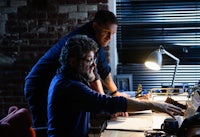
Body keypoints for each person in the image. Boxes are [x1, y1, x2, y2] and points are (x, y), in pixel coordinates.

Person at [47, 35, 183, 137]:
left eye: (93, 61)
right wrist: (153, 104)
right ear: (72, 62)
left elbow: (93, 106)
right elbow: (106, 102)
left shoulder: (65, 78)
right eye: (89, 60)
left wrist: (106, 112)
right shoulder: (70, 87)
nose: (93, 65)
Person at [24, 10, 129, 128]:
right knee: (46, 128)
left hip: (56, 84)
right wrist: (106, 106)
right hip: (39, 85)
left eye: (112, 34)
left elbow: (102, 69)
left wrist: (115, 93)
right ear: (95, 26)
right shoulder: (85, 40)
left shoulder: (97, 39)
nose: (109, 37)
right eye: (106, 32)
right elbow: (94, 75)